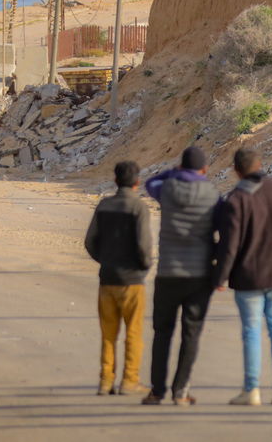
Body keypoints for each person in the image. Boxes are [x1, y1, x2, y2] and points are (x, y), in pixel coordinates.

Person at [215, 147, 272, 407]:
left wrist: (220, 277)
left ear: (236, 171)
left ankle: (252, 390)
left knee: (252, 331)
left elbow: (229, 245)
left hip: (248, 276)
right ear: (260, 164)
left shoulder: (236, 198)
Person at [142, 145, 219, 406]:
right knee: (191, 333)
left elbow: (150, 182)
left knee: (162, 333)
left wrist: (172, 172)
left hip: (168, 273)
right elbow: (221, 226)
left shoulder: (168, 189)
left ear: (181, 167)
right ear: (205, 170)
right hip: (199, 275)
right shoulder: (211, 193)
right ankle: (180, 391)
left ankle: (156, 391)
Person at [83, 159, 152, 396]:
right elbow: (144, 246)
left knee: (108, 333)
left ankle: (105, 381)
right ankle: (130, 380)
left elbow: (90, 242)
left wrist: (105, 261)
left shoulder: (104, 205)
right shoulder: (139, 207)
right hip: (132, 280)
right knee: (133, 333)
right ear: (137, 182)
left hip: (108, 279)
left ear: (115, 180)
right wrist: (145, 266)